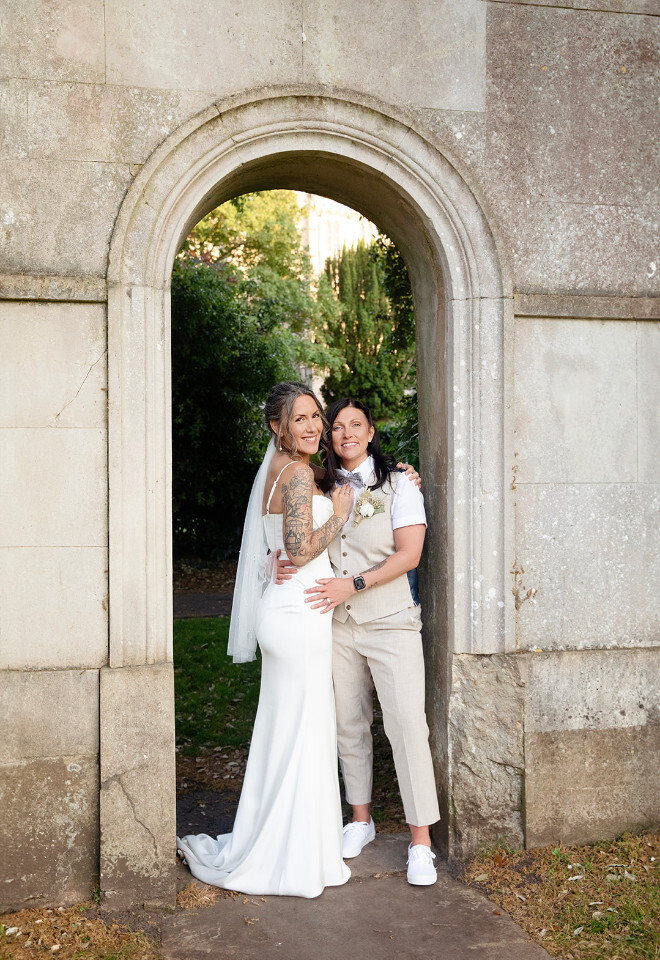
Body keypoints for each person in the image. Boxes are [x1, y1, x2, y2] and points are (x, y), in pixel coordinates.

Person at [176, 381, 354, 898]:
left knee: (290, 729)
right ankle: (289, 855)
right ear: (277, 427)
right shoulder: (296, 472)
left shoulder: (281, 471)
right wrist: (339, 517)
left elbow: (273, 547)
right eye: (299, 419)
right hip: (299, 615)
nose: (313, 426)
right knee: (302, 729)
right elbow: (298, 551)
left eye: (315, 416)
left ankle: (283, 841)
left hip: (291, 610)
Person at [278, 398, 440, 885]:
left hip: (390, 621)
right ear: (330, 438)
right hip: (338, 625)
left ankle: (420, 843)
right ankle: (361, 819)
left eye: (356, 425)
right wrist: (277, 556)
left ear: (371, 433)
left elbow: (409, 555)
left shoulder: (399, 484)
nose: (345, 433)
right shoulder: (322, 484)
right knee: (348, 723)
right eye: (338, 427)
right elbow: (299, 537)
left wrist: (354, 584)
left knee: (407, 725)